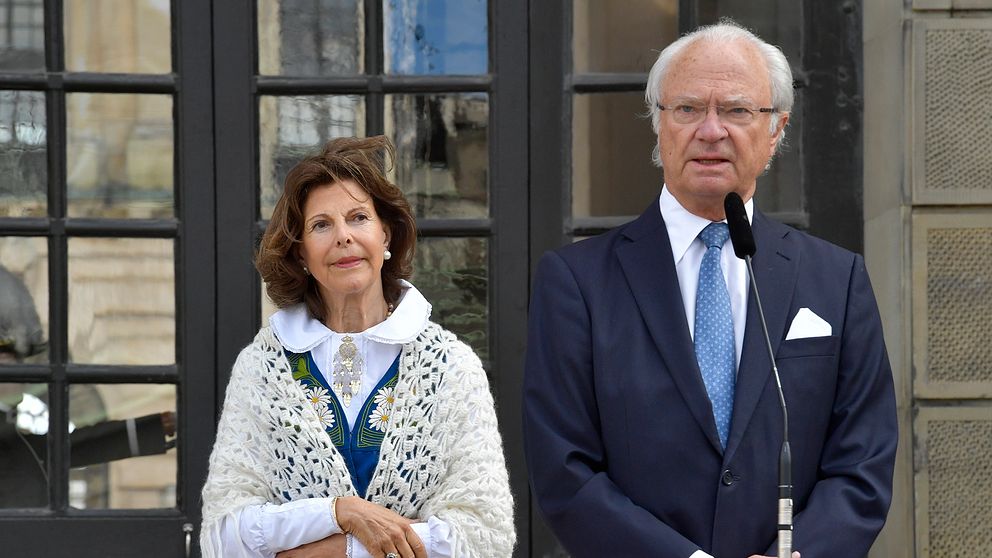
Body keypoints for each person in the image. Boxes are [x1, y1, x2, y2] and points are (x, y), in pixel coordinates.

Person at [522, 20, 897, 558]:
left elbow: (863, 464)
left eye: (737, 111)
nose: (711, 130)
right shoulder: (577, 282)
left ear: (776, 130)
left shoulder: (837, 280)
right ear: (658, 125)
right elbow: (565, 470)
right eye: (688, 109)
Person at [200, 136, 514, 558]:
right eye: (321, 225)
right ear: (301, 255)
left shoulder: (450, 367)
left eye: (358, 217)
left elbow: (484, 537)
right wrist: (337, 512)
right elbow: (223, 536)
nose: (343, 236)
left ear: (385, 236)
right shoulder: (261, 368)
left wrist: (334, 551)